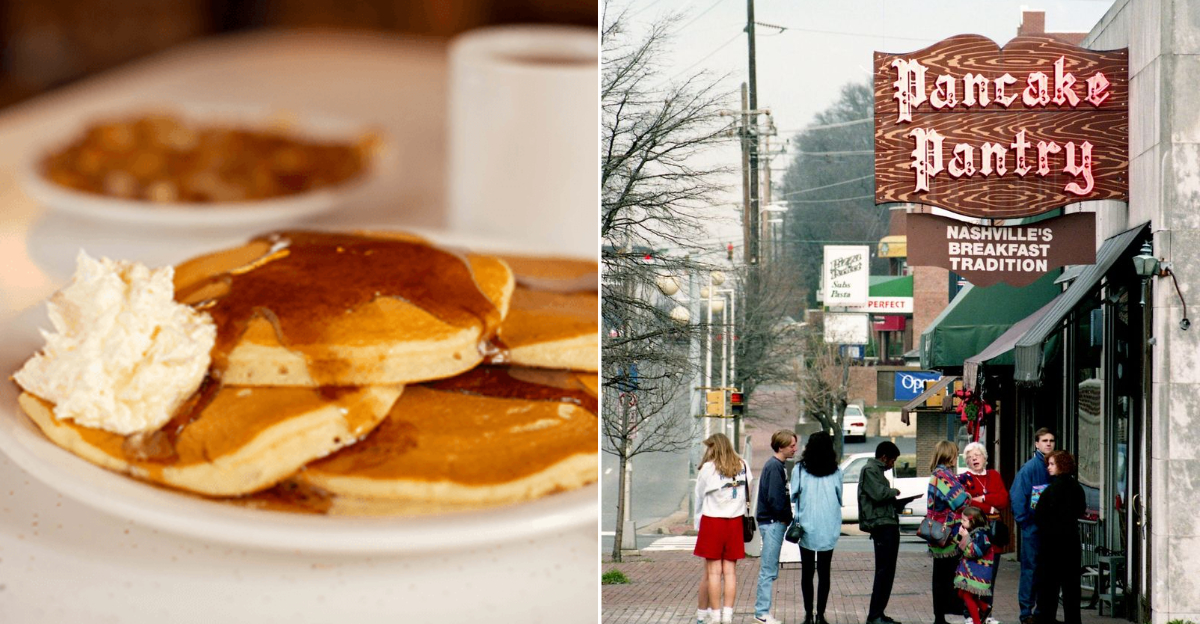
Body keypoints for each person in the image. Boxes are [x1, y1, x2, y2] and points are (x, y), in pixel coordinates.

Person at [694, 433, 753, 624]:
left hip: (713, 521)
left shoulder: (709, 468)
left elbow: (699, 496)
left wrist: (697, 523)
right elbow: (749, 489)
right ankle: (728, 615)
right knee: (730, 572)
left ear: (714, 447)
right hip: (735, 521)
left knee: (713, 573)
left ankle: (715, 615)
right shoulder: (742, 465)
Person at [789, 431, 843, 624]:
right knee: (825, 572)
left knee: (807, 573)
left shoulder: (800, 470)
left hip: (806, 526)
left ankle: (807, 614)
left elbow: (793, 494)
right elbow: (839, 496)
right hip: (828, 526)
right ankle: (820, 614)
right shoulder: (836, 470)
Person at [957, 442, 1010, 624]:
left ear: (985, 458)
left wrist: (983, 498)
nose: (974, 458)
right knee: (971, 574)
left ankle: (986, 614)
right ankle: (969, 615)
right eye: (970, 456)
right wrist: (988, 505)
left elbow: (1003, 500)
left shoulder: (994, 475)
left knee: (989, 576)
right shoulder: (964, 478)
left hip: (993, 534)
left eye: (977, 455)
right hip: (975, 534)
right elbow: (967, 506)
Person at [1034, 450, 1086, 624]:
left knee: (1049, 589)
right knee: (1072, 589)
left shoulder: (1050, 490)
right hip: (1071, 542)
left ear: (1061, 466)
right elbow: (1080, 510)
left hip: (1051, 545)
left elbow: (1039, 515)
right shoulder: (1077, 487)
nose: (1048, 468)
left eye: (1052, 464)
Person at [1010, 428, 1055, 624]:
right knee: (1030, 571)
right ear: (1036, 444)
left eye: (1052, 440)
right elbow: (1018, 498)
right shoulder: (1029, 469)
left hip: (1050, 531)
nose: (1048, 444)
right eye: (1044, 440)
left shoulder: (1055, 467)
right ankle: (1026, 613)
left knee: (1046, 572)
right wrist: (1026, 524)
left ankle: (1042, 612)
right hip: (1033, 530)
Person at [753, 430, 798, 624]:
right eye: (791, 445)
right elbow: (775, 497)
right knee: (768, 568)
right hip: (772, 522)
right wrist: (784, 517)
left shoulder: (777, 466)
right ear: (781, 446)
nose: (794, 448)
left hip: (772, 521)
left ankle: (762, 611)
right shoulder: (774, 467)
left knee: (769, 568)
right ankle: (761, 612)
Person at [860, 440, 903, 624]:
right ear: (884, 457)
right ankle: (875, 615)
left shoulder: (877, 472)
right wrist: (894, 492)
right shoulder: (870, 470)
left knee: (888, 572)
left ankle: (879, 613)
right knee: (884, 571)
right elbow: (878, 494)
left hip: (888, 523)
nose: (892, 465)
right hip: (881, 526)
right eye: (892, 461)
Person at [927, 440, 970, 624]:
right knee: (947, 576)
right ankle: (947, 613)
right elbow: (960, 501)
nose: (956, 457)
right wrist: (968, 494)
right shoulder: (944, 476)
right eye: (955, 453)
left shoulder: (935, 475)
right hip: (948, 535)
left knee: (939, 576)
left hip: (936, 532)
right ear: (949, 455)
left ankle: (940, 617)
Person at [954, 506, 997, 624]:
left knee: (967, 596)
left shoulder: (981, 535)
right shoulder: (972, 532)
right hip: (970, 570)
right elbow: (959, 548)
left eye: (964, 520)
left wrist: (965, 537)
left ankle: (977, 621)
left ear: (972, 521)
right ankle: (984, 607)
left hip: (978, 571)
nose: (961, 522)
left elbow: (973, 552)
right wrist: (961, 536)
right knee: (961, 593)